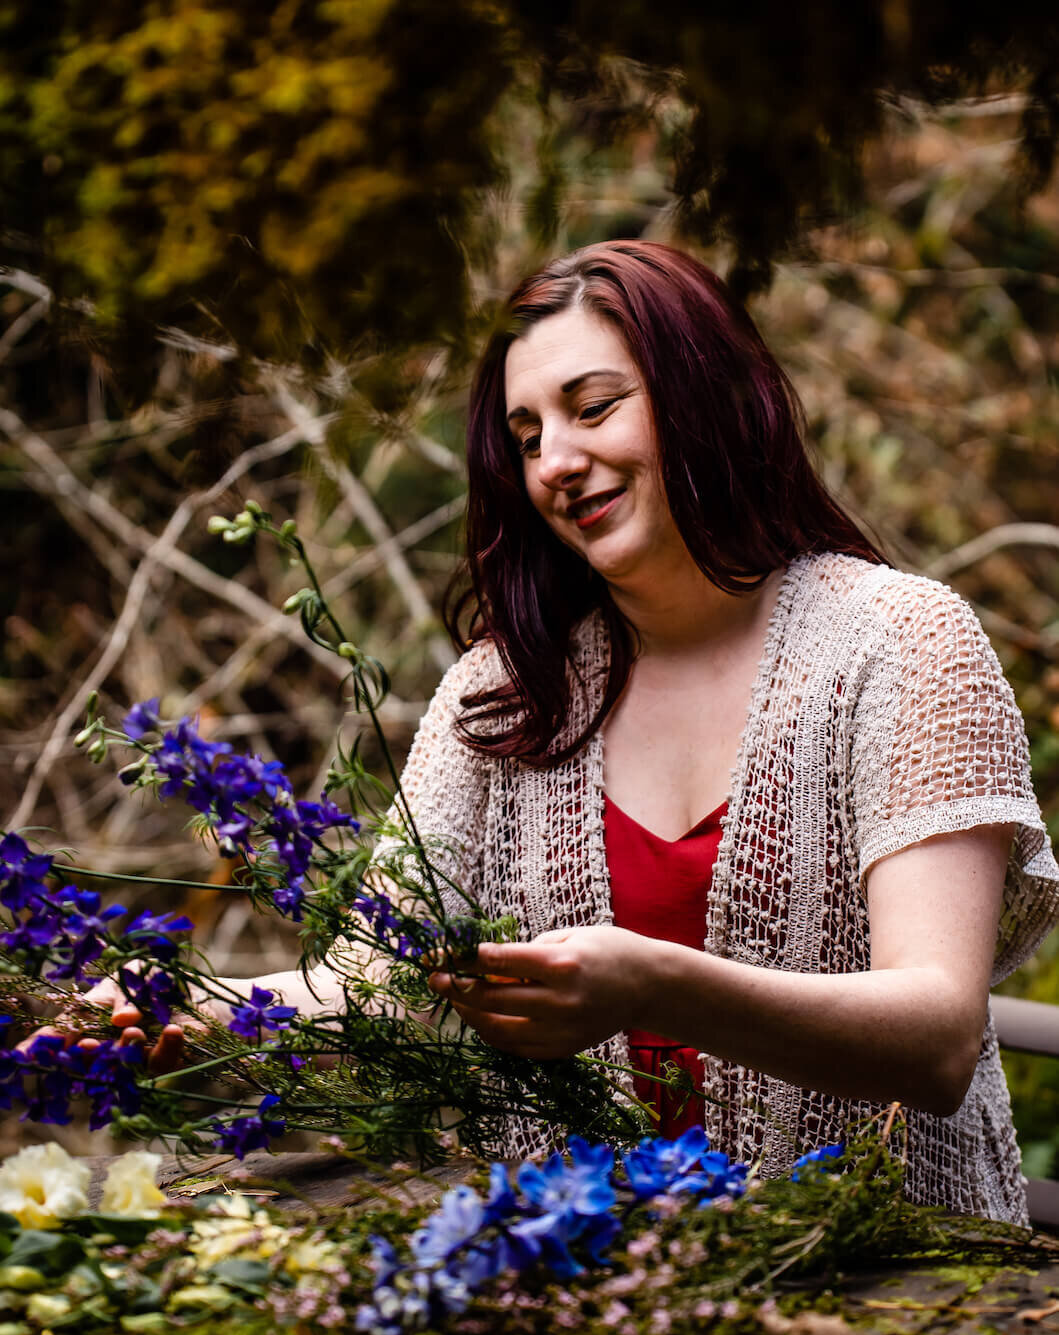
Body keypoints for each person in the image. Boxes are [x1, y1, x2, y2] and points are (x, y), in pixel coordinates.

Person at [49, 241, 1059, 1222]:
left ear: (704, 393)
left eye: (592, 407)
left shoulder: (898, 642)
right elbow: (383, 988)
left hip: (900, 1271)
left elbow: (932, 1036)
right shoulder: (506, 692)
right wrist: (186, 1009)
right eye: (527, 437)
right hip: (585, 1282)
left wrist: (650, 983)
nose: (557, 464)